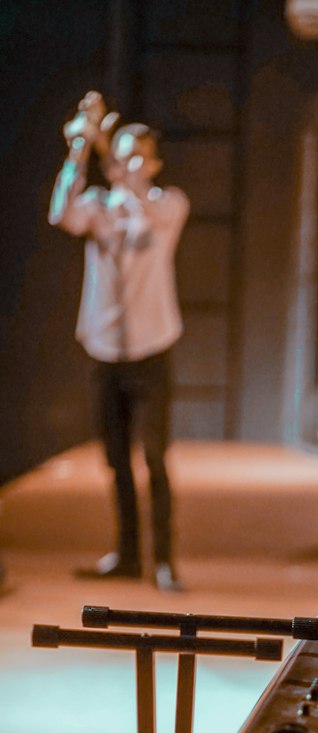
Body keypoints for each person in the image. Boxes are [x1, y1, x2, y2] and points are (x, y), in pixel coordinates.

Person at [49, 95, 189, 591]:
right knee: (116, 460)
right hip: (105, 350)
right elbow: (60, 212)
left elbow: (144, 201)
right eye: (123, 154)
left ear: (153, 163)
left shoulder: (168, 204)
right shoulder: (99, 208)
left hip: (152, 349)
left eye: (137, 156)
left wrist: (112, 153)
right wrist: (80, 151)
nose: (128, 165)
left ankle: (165, 560)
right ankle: (127, 555)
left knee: (154, 458)